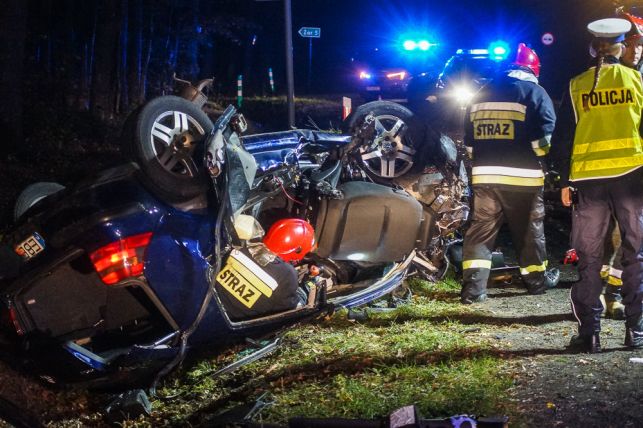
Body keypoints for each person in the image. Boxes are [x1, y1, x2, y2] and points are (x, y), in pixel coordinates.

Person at [551, 18, 643, 353]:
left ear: (593, 48)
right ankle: (637, 332)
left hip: (587, 182)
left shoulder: (576, 85)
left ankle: (589, 334)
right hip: (632, 178)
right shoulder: (637, 80)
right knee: (636, 253)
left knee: (588, 257)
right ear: (621, 47)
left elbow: (563, 139)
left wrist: (564, 180)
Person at [460, 43, 557, 304]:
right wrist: (545, 160)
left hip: (484, 177)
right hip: (522, 177)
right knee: (528, 230)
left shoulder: (480, 93)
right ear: (533, 68)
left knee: (481, 230)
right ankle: (536, 282)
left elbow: (468, 143)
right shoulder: (534, 92)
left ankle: (473, 290)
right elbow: (546, 140)